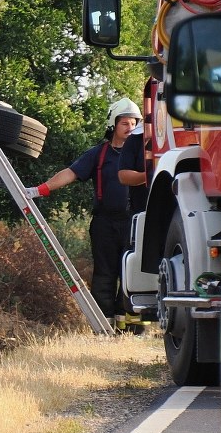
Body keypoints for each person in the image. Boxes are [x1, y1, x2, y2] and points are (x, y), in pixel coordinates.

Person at [24, 99, 143, 325]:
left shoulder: (142, 154)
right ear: (113, 125)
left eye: (133, 123)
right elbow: (70, 173)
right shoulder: (98, 154)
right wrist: (40, 190)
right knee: (104, 275)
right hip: (105, 224)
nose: (130, 128)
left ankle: (131, 329)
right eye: (125, 123)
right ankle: (104, 326)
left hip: (135, 222)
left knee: (132, 274)